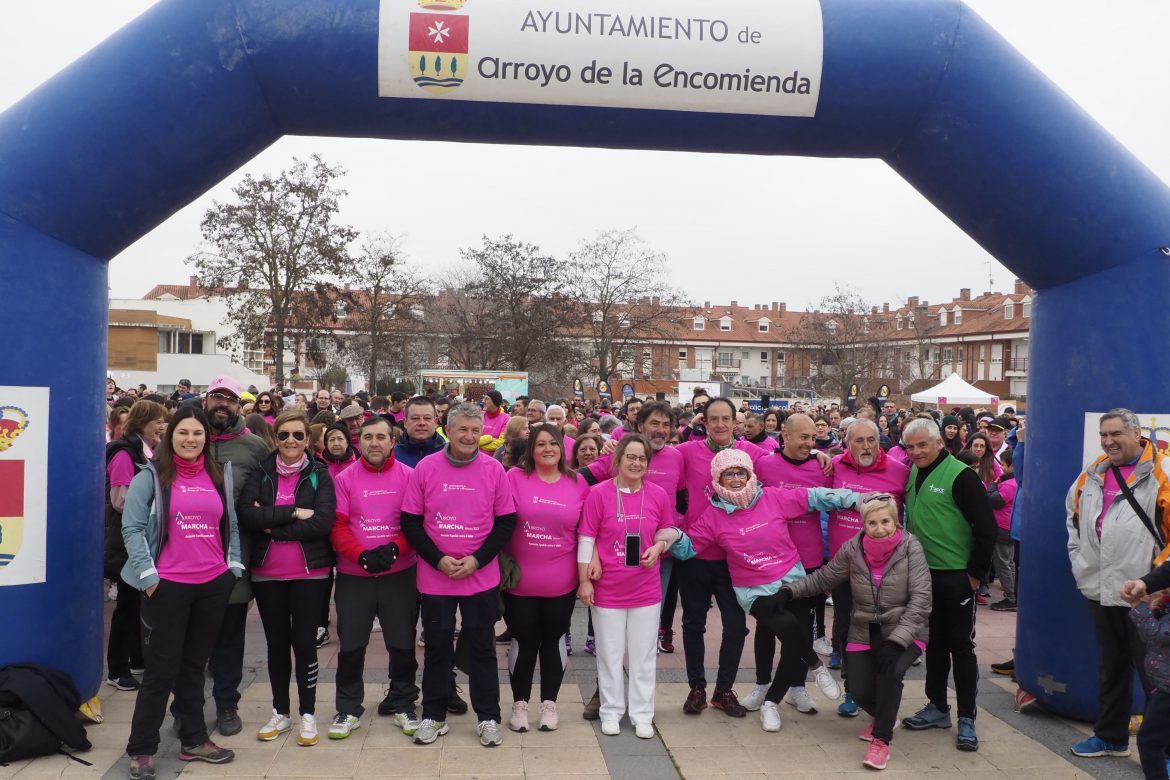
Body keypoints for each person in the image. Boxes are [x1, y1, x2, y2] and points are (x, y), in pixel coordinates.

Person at [670, 449, 860, 733]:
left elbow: (818, 496)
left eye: (740, 472)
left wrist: (858, 499)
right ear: (718, 478)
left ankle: (771, 703)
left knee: (793, 638)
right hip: (752, 590)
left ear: (750, 474)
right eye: (729, 473)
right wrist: (669, 536)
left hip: (790, 580)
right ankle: (815, 665)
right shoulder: (714, 515)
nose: (736, 479)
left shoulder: (772, 497)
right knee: (786, 627)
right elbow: (688, 547)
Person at [121, 407, 243, 780]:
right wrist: (150, 578)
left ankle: (193, 738)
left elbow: (231, 524)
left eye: (197, 433)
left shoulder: (219, 474)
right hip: (167, 586)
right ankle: (141, 748)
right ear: (169, 436)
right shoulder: (152, 477)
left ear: (206, 438)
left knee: (193, 667)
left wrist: (232, 568)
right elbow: (132, 528)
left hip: (212, 585)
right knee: (160, 671)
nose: (190, 439)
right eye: (182, 433)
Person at [784, 495, 931, 770]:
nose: (880, 528)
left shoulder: (911, 547)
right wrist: (789, 591)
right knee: (859, 689)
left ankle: (881, 740)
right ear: (863, 524)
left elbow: (922, 599)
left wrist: (898, 641)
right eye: (872, 523)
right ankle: (886, 714)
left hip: (906, 629)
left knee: (890, 673)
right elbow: (824, 577)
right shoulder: (853, 549)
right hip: (864, 627)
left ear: (895, 520)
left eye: (886, 521)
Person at [401, 403, 518, 747]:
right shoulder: (426, 467)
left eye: (474, 429)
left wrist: (478, 560)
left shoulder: (494, 470)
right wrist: (437, 559)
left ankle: (488, 717)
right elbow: (410, 521)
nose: (469, 436)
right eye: (462, 429)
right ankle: (434, 716)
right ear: (447, 430)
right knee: (437, 647)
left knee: (481, 646)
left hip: (480, 576)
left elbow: (506, 521)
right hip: (436, 575)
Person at [1067, 409, 1170, 759]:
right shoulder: (1093, 473)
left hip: (1148, 597)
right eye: (1104, 434)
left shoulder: (1163, 472)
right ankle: (1110, 736)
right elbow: (1073, 517)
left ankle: (1164, 751)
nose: (1109, 441)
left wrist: (1156, 582)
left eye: (1116, 434)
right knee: (1111, 666)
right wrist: (1080, 561)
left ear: (1137, 433)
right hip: (1101, 589)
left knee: (1156, 676)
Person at [237, 410, 336, 747]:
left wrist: (272, 527)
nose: (291, 441)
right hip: (268, 574)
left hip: (311, 574)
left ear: (308, 440)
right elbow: (247, 514)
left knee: (305, 644)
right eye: (284, 435)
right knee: (276, 645)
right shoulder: (261, 472)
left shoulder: (320, 474)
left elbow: (322, 522)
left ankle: (308, 713)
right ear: (274, 439)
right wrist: (293, 513)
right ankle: (281, 711)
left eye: (297, 435)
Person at [900, 418, 996, 752]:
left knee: (962, 648)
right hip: (923, 575)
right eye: (910, 447)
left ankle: (967, 717)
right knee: (935, 645)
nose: (916, 452)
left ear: (939, 442)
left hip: (956, 576)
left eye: (922, 445)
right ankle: (937, 707)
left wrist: (975, 574)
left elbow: (986, 527)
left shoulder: (961, 475)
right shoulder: (913, 471)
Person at [577, 434, 679, 738]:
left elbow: (670, 528)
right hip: (608, 587)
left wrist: (659, 546)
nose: (636, 463)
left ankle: (641, 713)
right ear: (617, 460)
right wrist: (584, 580)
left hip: (646, 588)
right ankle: (610, 710)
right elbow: (586, 536)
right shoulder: (598, 493)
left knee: (644, 655)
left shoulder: (658, 494)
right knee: (609, 653)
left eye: (642, 458)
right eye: (631, 457)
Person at [328, 416, 419, 739]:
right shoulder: (345, 478)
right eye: (368, 437)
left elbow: (415, 524)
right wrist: (360, 555)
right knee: (351, 645)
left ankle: (404, 702)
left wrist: (395, 549)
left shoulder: (410, 476)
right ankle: (349, 708)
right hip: (355, 575)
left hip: (400, 573)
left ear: (393, 441)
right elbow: (337, 525)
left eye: (382, 437)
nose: (375, 443)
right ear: (359, 441)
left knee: (402, 643)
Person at [750, 413, 840, 715]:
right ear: (784, 436)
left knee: (801, 628)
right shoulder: (764, 464)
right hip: (771, 559)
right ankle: (762, 683)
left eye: (813, 438)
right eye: (804, 437)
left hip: (808, 559)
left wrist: (818, 453)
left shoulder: (822, 467)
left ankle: (797, 686)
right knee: (767, 624)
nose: (809, 443)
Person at [502, 424, 590, 733]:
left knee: (553, 640)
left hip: (561, 581)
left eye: (553, 443)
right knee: (524, 640)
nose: (548, 449)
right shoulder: (513, 478)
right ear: (531, 449)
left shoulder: (577, 483)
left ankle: (549, 703)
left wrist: (585, 577)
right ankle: (519, 705)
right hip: (520, 581)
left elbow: (587, 533)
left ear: (562, 448)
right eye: (540, 444)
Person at [201, 376, 272, 737]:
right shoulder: (186, 440)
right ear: (206, 402)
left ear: (238, 405)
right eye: (217, 398)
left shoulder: (255, 447)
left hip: (234, 556)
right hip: (188, 557)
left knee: (229, 636)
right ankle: (189, 707)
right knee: (189, 639)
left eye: (229, 399)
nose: (222, 405)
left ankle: (227, 703)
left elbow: (270, 493)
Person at [104, 400, 167, 691]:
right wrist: (153, 505)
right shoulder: (124, 454)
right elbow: (120, 500)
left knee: (138, 603)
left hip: (141, 539)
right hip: (126, 541)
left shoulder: (146, 451)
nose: (161, 425)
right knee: (127, 606)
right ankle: (118, 668)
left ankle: (137, 658)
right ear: (143, 421)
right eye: (157, 420)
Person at [988, 448, 1019, 611]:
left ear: (1012, 466)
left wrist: (992, 486)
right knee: (1009, 561)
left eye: (1004, 465)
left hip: (1002, 527)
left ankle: (1011, 596)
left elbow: (995, 500)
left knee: (1002, 562)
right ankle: (1013, 593)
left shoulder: (1009, 484)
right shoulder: (1014, 482)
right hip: (1009, 527)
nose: (1002, 469)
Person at [394, 396, 446, 467]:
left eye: (427, 418)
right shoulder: (392, 456)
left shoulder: (449, 455)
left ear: (435, 422)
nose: (422, 423)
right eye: (415, 418)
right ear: (405, 422)